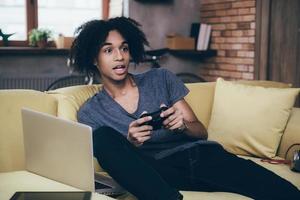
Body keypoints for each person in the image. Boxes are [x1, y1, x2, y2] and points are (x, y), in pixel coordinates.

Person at [69, 17, 300, 200]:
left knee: (285, 192)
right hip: (156, 172)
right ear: (93, 58)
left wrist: (182, 127)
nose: (120, 57)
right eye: (108, 50)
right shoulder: (90, 112)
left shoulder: (161, 78)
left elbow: (201, 131)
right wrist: (130, 143)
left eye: (124, 48)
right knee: (102, 137)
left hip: (201, 158)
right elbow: (108, 158)